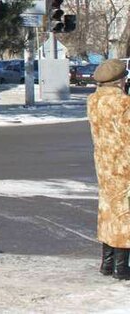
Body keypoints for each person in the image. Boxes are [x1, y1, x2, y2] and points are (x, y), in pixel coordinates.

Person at [87, 58, 130, 280]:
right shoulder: (124, 103)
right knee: (124, 213)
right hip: (125, 165)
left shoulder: (93, 101)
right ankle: (122, 267)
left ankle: (107, 262)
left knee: (107, 209)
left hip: (104, 164)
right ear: (120, 81)